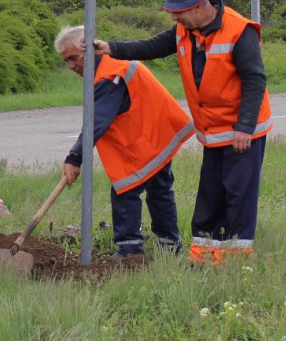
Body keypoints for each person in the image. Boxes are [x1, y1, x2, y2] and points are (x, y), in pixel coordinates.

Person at [95, 0, 271, 265]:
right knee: (211, 196)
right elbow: (152, 46)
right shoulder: (183, 30)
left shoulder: (239, 30)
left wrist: (245, 127)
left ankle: (235, 262)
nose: (175, 18)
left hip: (242, 131)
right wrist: (111, 47)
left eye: (179, 12)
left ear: (200, 6)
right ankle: (203, 257)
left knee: (238, 196)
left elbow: (255, 79)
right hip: (213, 131)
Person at [56, 26, 193, 258]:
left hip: (147, 139)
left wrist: (74, 158)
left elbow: (95, 123)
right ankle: (169, 244)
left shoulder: (111, 75)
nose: (71, 66)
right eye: (66, 61)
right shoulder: (112, 66)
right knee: (159, 189)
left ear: (88, 49)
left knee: (125, 189)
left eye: (73, 58)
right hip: (155, 137)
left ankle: (130, 250)